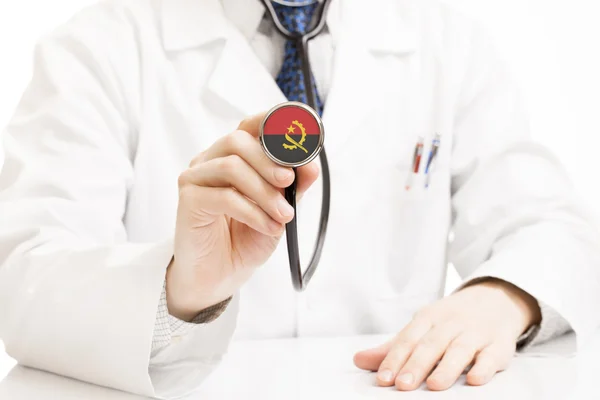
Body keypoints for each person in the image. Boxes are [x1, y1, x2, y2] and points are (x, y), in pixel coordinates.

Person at [0, 0, 598, 398]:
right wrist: (180, 289)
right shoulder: (98, 47)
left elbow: (550, 226)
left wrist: (501, 296)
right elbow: (26, 280)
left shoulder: (445, 40)